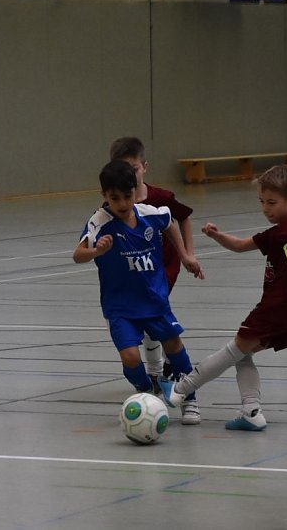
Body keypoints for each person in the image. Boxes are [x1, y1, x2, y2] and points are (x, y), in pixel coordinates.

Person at [161, 164, 287, 431]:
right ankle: (251, 411)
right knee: (242, 353)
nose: (265, 208)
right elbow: (240, 245)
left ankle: (180, 389)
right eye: (261, 201)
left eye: (272, 202)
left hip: (280, 307)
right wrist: (217, 235)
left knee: (234, 349)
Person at [73, 160, 204, 424]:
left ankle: (189, 397)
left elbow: (171, 224)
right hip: (120, 305)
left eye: (127, 196)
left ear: (136, 190)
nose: (122, 204)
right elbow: (78, 255)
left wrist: (185, 255)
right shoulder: (99, 222)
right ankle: (147, 392)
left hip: (153, 299)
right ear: (104, 196)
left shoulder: (150, 213)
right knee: (130, 356)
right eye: (114, 198)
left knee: (174, 344)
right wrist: (96, 251)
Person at [109, 137, 196, 391]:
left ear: (144, 167)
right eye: (123, 169)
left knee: (154, 316)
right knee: (148, 320)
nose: (130, 175)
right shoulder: (114, 206)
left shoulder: (161, 197)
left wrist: (187, 254)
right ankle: (158, 373)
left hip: (162, 268)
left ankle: (162, 372)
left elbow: (184, 218)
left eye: (134, 169)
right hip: (133, 273)